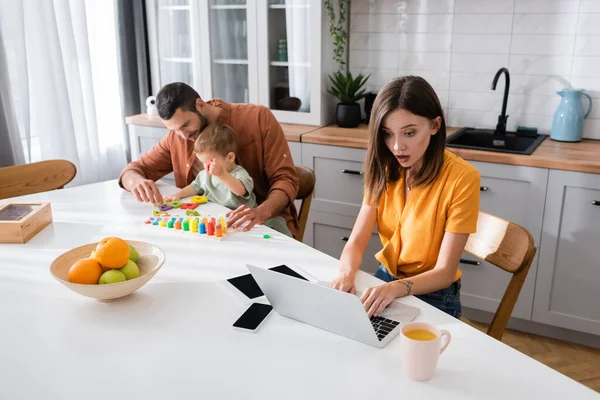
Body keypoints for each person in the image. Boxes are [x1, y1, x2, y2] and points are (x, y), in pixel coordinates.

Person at [330, 76, 480, 319]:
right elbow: (356, 242)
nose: (397, 146)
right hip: (385, 280)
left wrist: (394, 289)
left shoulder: (462, 178)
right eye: (388, 134)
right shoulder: (385, 166)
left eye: (409, 133)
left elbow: (445, 271)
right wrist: (346, 273)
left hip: (435, 295)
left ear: (435, 125)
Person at [119, 82, 299, 238]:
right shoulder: (178, 137)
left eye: (185, 125)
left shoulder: (257, 118)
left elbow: (286, 179)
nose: (184, 136)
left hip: (263, 226)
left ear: (199, 105)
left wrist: (263, 211)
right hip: (213, 230)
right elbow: (133, 170)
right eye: (175, 130)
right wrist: (137, 182)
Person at [163, 124, 289, 233]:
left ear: (230, 158)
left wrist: (222, 175)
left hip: (244, 220)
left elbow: (240, 190)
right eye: (203, 162)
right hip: (221, 219)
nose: (207, 166)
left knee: (276, 223)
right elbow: (195, 187)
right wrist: (179, 194)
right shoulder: (205, 174)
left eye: (211, 161)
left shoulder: (239, 174)